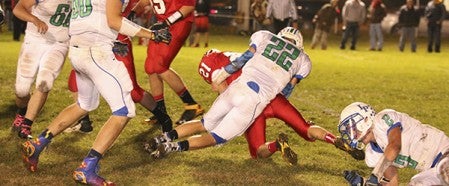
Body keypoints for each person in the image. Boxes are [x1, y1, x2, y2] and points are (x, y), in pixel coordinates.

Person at [142, 27, 364, 162]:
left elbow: (243, 58)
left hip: (237, 88)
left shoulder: (266, 36)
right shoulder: (303, 60)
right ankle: (173, 147)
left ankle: (164, 138)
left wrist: (223, 73)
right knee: (217, 137)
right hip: (263, 101)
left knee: (204, 123)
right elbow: (287, 90)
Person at [20, 0, 171, 185]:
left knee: (85, 104)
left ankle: (38, 144)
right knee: (124, 111)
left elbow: (96, 15)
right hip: (96, 50)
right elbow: (114, 21)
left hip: (78, 49)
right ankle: (87, 168)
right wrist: (152, 34)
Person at [177, 49, 359, 165]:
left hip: (250, 107)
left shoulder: (215, 67)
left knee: (258, 152)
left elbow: (223, 91)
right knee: (305, 127)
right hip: (272, 98)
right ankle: (333, 139)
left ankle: (276, 145)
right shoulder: (245, 54)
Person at [64, 0, 173, 134]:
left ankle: (164, 119)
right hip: (93, 41)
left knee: (133, 92)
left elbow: (123, 13)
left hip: (117, 39)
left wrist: (132, 14)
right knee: (73, 83)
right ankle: (84, 121)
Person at [338, 102, 449, 185]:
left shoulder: (382, 119)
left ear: (365, 118)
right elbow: (392, 182)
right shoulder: (372, 154)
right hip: (432, 171)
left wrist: (376, 174)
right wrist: (364, 183)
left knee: (444, 168)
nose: (351, 133)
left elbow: (394, 146)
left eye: (352, 127)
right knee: (416, 182)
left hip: (444, 152)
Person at [133, 0, 205, 129]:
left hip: (178, 24)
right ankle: (160, 112)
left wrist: (166, 22)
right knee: (150, 67)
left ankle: (192, 105)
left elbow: (188, 6)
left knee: (160, 66)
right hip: (161, 24)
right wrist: (133, 12)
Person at [11, 0, 71, 139]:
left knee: (45, 82)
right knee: (21, 90)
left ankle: (27, 124)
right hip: (35, 39)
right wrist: (35, 19)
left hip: (59, 43)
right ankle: (22, 111)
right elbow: (18, 9)